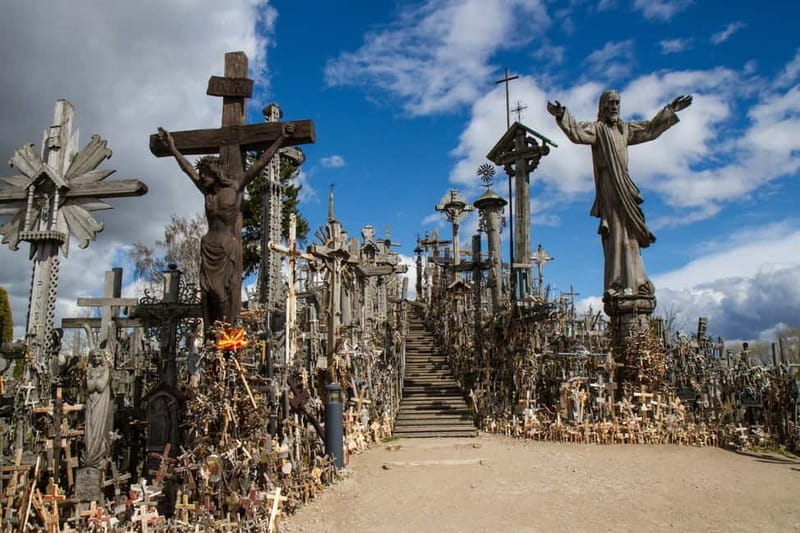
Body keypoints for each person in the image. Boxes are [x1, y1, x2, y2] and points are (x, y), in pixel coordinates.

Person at [547, 90, 692, 303]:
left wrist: (670, 110)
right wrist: (562, 115)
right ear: (602, 106)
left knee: (630, 234)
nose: (614, 106)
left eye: (617, 103)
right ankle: (616, 282)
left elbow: (650, 129)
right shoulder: (598, 129)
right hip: (610, 185)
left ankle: (636, 280)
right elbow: (577, 133)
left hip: (625, 185)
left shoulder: (626, 129)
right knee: (615, 233)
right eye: (610, 103)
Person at [157, 123, 296, 327]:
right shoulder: (207, 192)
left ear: (215, 172)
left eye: (205, 173)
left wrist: (280, 139)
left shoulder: (235, 187)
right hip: (208, 245)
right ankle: (210, 333)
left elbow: (260, 163)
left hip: (226, 247)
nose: (201, 177)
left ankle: (225, 329)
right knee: (206, 294)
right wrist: (171, 147)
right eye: (201, 173)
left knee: (220, 292)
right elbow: (187, 169)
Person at [83, 347, 112, 469]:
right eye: (94, 356)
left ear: (102, 357)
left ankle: (96, 455)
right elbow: (89, 387)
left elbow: (100, 386)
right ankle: (89, 455)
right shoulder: (89, 370)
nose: (96, 359)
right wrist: (95, 382)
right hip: (90, 401)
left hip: (100, 401)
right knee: (89, 426)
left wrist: (93, 381)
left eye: (98, 356)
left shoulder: (106, 369)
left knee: (97, 426)